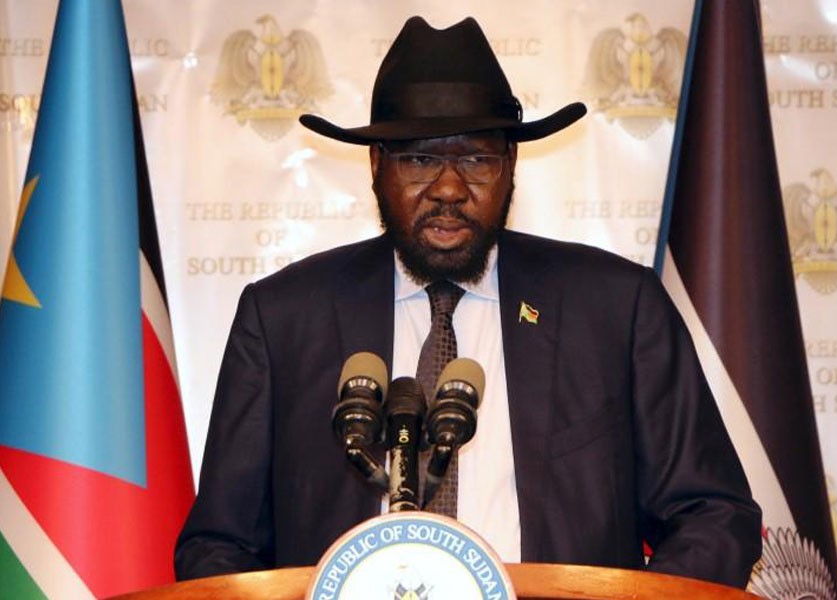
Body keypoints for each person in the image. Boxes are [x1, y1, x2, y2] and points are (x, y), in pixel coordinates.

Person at [175, 16, 762, 588]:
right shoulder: (283, 320)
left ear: (511, 166)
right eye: (420, 159)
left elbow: (714, 514)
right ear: (377, 167)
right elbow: (220, 547)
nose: (450, 188)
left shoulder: (615, 309)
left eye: (477, 159)